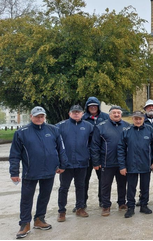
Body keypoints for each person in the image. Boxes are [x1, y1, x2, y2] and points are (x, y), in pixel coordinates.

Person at [9, 106, 68, 239]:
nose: (39, 118)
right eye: (36, 116)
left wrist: (62, 164)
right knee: (26, 199)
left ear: (44, 117)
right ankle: (24, 224)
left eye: (41, 116)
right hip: (30, 172)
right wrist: (14, 172)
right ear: (31, 116)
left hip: (49, 171)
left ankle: (39, 219)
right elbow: (15, 154)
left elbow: (61, 149)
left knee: (44, 196)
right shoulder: (22, 132)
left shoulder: (54, 130)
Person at [118, 111, 153, 218]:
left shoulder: (150, 130)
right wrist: (122, 166)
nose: (138, 121)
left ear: (143, 119)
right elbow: (121, 150)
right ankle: (130, 207)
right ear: (132, 119)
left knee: (145, 187)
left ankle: (144, 205)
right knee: (131, 187)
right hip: (131, 165)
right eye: (136, 118)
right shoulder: (126, 132)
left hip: (146, 164)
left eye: (140, 119)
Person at [56, 105, 94, 222]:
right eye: (74, 112)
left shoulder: (89, 126)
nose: (76, 114)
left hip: (82, 162)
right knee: (64, 188)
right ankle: (62, 211)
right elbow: (55, 145)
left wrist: (88, 156)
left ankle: (80, 207)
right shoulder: (60, 126)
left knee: (81, 186)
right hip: (66, 164)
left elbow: (93, 143)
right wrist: (59, 162)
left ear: (82, 113)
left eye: (78, 112)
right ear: (69, 113)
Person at [91, 106, 130, 216]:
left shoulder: (127, 126)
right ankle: (106, 205)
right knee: (105, 185)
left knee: (122, 183)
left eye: (118, 113)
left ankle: (122, 202)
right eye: (114, 113)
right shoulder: (101, 127)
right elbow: (95, 146)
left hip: (122, 162)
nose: (116, 114)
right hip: (106, 162)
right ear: (109, 115)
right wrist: (96, 162)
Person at [82, 96, 109, 210]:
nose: (93, 107)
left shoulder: (105, 117)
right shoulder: (83, 118)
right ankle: (81, 203)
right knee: (83, 180)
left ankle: (102, 201)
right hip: (86, 153)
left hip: (101, 153)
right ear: (87, 107)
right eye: (90, 106)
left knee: (103, 180)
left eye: (95, 105)